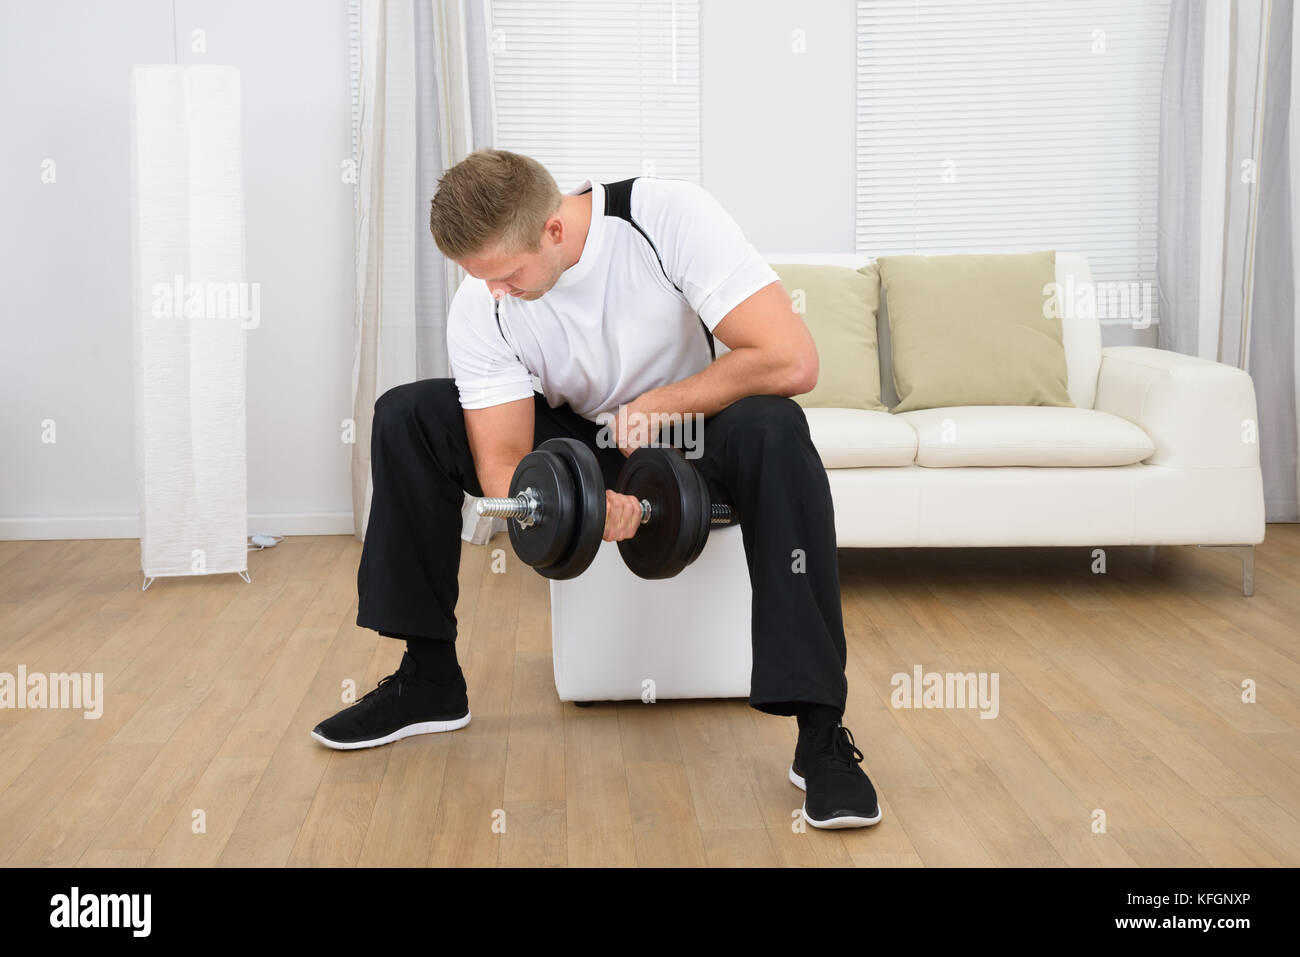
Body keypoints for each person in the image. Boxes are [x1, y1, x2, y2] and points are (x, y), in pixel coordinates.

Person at [311, 149, 881, 829]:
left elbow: (792, 357)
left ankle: (820, 731)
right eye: (479, 276)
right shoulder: (484, 301)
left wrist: (666, 402)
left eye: (508, 273)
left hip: (692, 437)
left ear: (553, 230)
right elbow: (503, 471)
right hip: (579, 450)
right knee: (408, 415)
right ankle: (429, 677)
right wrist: (569, 512)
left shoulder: (663, 216)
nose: (495, 290)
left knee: (776, 426)